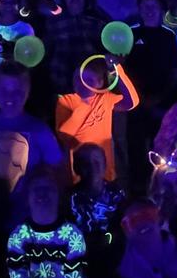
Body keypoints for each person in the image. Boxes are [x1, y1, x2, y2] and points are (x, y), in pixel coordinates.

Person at [0, 62, 64, 195]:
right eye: (3, 89)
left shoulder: (39, 130)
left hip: (22, 211)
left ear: (28, 91)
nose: (10, 96)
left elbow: (56, 168)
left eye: (17, 91)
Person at [125, 0, 177, 189]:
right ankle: (138, 191)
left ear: (161, 9)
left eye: (153, 6)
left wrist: (160, 98)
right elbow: (122, 69)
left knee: (162, 149)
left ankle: (163, 190)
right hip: (134, 105)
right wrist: (139, 98)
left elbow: (176, 70)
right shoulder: (130, 34)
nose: (149, 10)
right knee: (135, 149)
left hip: (162, 104)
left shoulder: (169, 36)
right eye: (145, 6)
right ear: (139, 9)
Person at [55, 55, 138, 183]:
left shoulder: (105, 98)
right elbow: (64, 136)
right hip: (78, 177)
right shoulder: (65, 101)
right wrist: (84, 104)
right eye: (78, 78)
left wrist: (118, 70)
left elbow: (133, 102)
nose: (82, 82)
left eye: (89, 79)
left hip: (106, 174)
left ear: (100, 83)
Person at [69, 143, 127, 266]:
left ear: (105, 165)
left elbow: (123, 225)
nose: (92, 168)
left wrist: (109, 237)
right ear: (76, 168)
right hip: (81, 256)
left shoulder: (116, 193)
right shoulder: (70, 197)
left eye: (96, 162)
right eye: (85, 164)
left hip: (112, 253)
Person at [45, 0, 107, 94]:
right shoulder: (53, 23)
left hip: (91, 83)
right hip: (60, 80)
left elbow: (105, 53)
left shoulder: (97, 22)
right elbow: (47, 50)